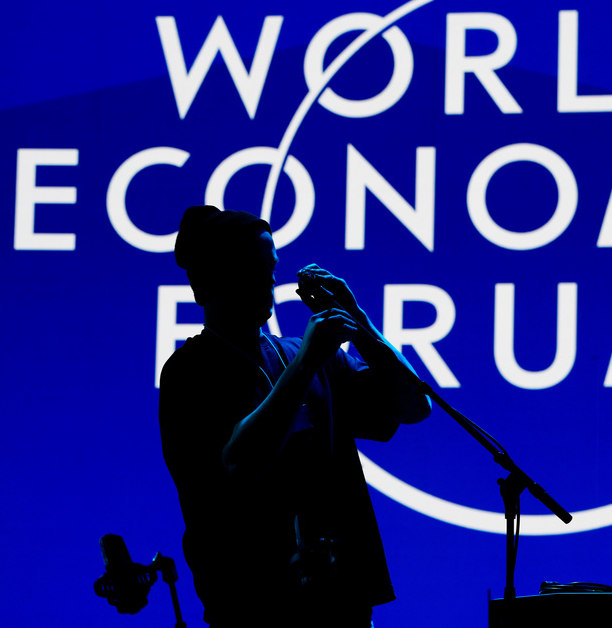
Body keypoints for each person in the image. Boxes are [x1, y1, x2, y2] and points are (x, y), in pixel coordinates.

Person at [159, 205, 431, 627]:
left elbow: (414, 406)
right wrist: (305, 365)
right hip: (254, 605)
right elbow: (240, 462)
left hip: (343, 599)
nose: (270, 278)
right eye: (255, 266)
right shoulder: (190, 371)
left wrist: (359, 323)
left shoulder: (306, 354)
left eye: (272, 266)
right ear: (214, 278)